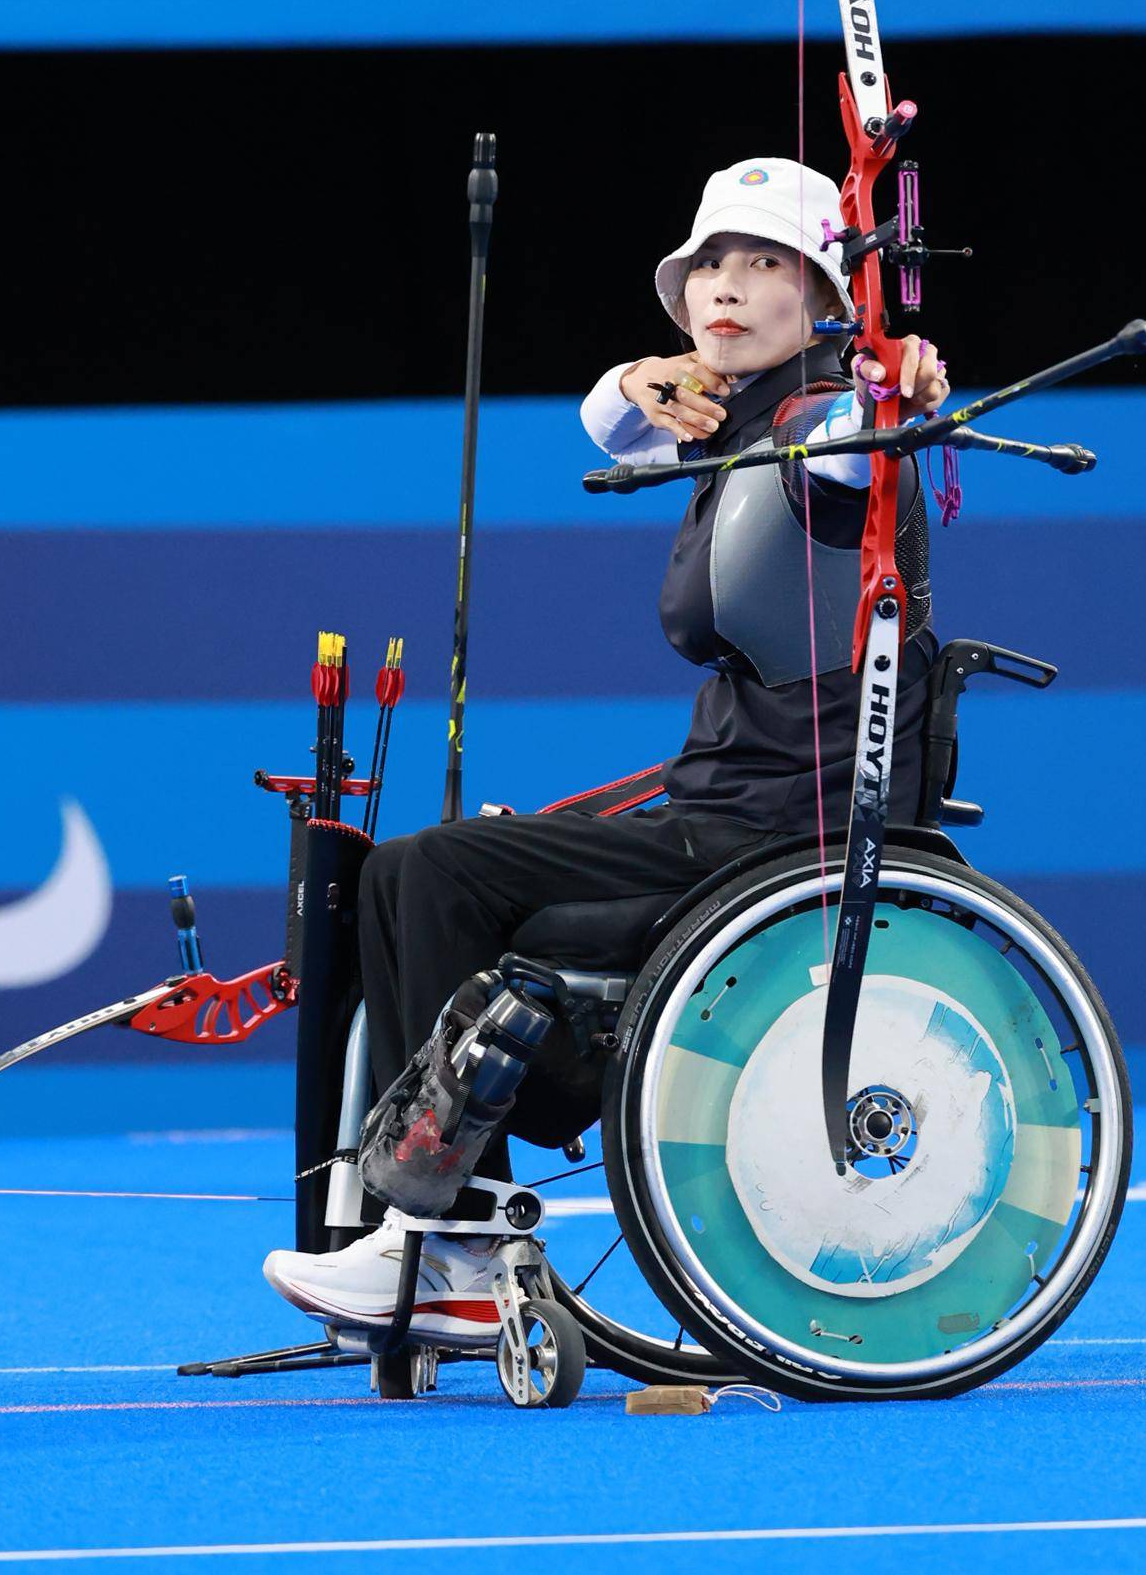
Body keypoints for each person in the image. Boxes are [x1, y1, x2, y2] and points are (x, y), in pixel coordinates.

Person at [262, 155, 951, 1339]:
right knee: (404, 871)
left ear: (826, 299)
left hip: (773, 827)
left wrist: (890, 371)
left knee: (434, 871)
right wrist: (641, 373)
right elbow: (609, 417)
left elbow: (859, 434)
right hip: (714, 808)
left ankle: (456, 1240)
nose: (725, 286)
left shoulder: (818, 423)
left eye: (765, 264)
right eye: (710, 266)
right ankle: (432, 1231)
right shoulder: (731, 416)